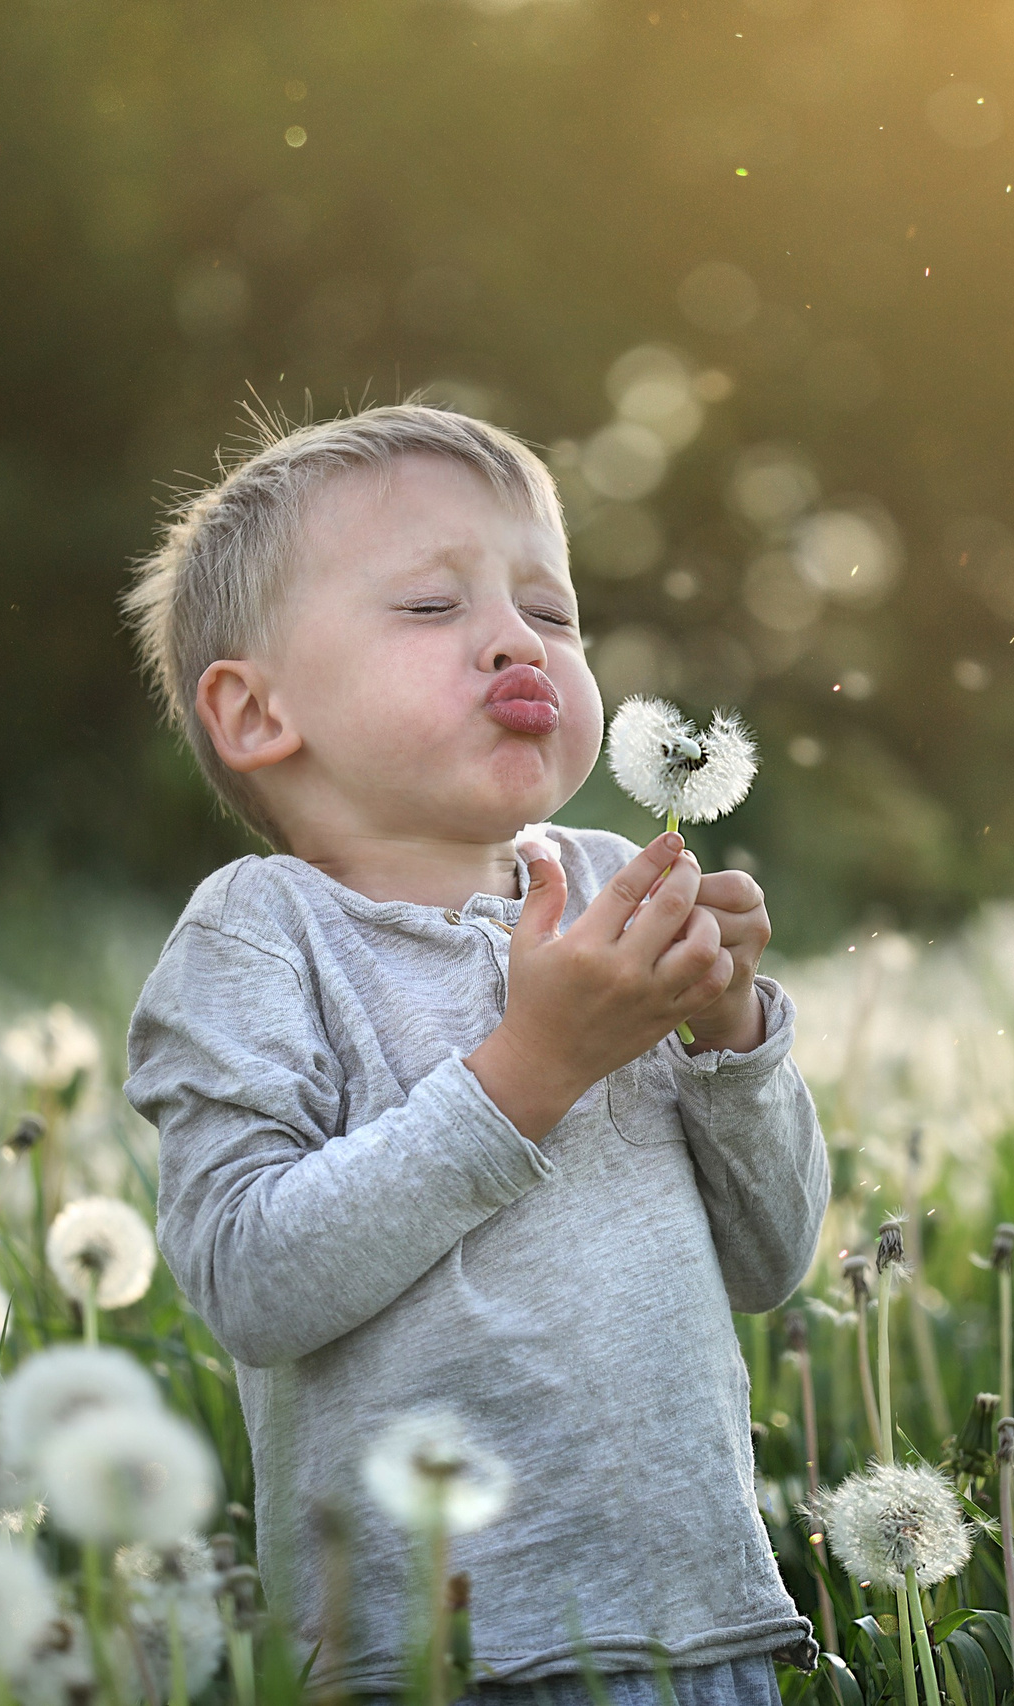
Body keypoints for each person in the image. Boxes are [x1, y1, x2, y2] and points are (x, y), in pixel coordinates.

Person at [121, 402, 831, 1706]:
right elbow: (248, 1279)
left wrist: (734, 1039)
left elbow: (773, 1254)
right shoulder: (264, 935)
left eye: (552, 613)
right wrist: (530, 1069)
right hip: (437, 1654)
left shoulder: (623, 888)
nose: (517, 639)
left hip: (701, 1626)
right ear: (258, 709)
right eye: (431, 606)